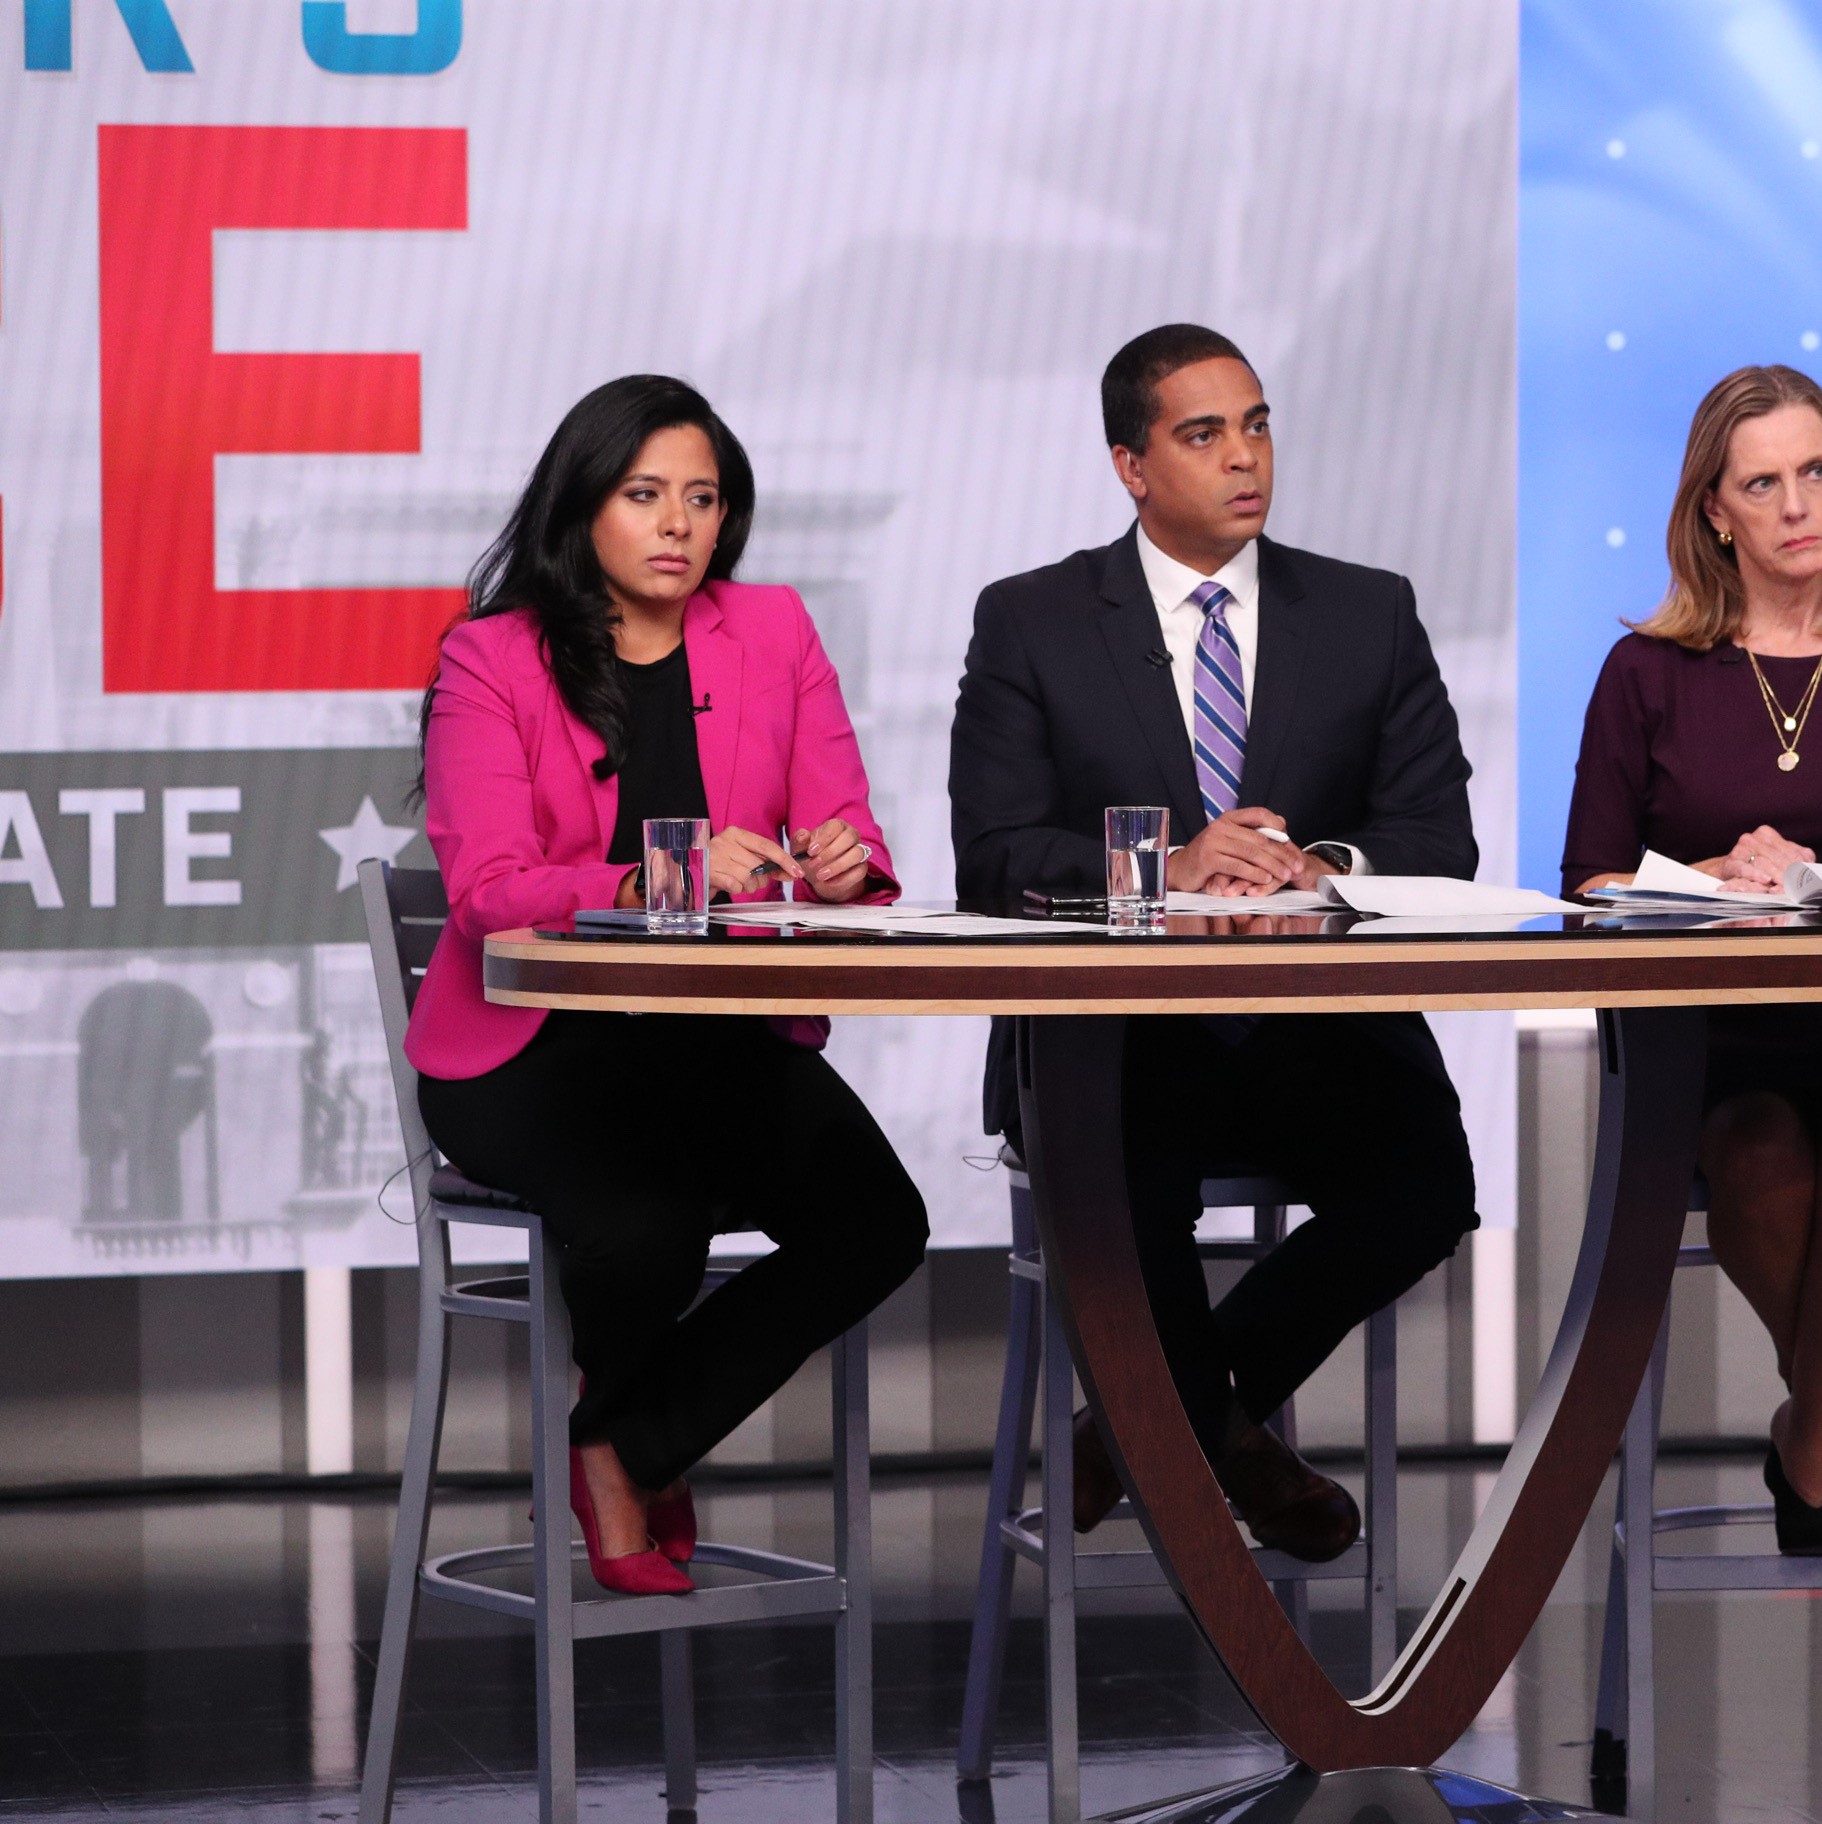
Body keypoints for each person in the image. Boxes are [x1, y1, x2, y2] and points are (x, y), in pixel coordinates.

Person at [949, 324, 1481, 1561]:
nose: (1246, 457)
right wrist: (1167, 867)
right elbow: (994, 857)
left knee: (1426, 1187)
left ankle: (1139, 1432)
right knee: (1119, 1190)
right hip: (1115, 1040)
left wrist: (1325, 867)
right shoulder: (1033, 620)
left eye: (1257, 424)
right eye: (1204, 434)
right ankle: (1225, 1446)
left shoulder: (1367, 612)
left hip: (1313, 1031)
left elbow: (1435, 837)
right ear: (1132, 465)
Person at [410, 375, 928, 1594]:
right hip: (534, 1046)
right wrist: (663, 873)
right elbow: (487, 890)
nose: (679, 524)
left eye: (703, 498)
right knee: (650, 1218)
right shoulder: (492, 658)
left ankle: (628, 1436)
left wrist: (848, 864)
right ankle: (629, 1456)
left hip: (712, 1037)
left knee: (877, 1224)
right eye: (647, 495)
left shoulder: (776, 631)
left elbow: (843, 827)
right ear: (584, 504)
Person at [1562, 364, 1822, 1556]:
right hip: (1715, 1033)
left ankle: (1806, 1429)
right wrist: (1717, 879)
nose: (1799, 504)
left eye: (1818, 473)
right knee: (1755, 1143)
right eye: (1765, 483)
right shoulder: (1646, 674)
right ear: (1717, 512)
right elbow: (1586, 886)